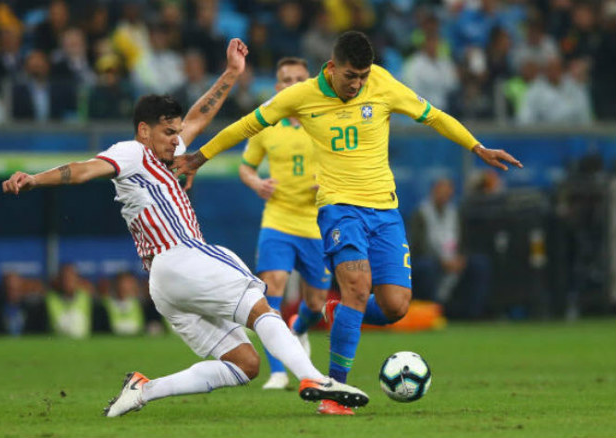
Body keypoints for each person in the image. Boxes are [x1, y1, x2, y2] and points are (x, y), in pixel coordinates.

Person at [2, 38, 368, 417]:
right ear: (143, 130)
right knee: (260, 308)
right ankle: (314, 378)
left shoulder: (170, 152)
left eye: (176, 132)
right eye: (167, 132)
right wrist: (34, 179)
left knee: (245, 364)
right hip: (181, 256)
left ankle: (144, 389)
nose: (176, 139)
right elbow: (80, 170)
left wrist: (230, 74)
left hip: (166, 285)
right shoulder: (130, 152)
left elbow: (199, 116)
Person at [174, 31, 522, 415]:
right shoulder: (301, 96)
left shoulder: (383, 83)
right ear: (332, 67)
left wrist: (478, 147)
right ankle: (333, 392)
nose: (357, 84)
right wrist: (199, 157)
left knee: (395, 306)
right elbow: (246, 125)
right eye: (350, 76)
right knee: (357, 285)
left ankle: (337, 314)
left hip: (386, 211)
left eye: (363, 76)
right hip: (340, 208)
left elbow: (434, 117)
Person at [238, 57, 330, 390]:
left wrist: (330, 182)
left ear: (309, 83)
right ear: (277, 87)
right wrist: (256, 183)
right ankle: (278, 371)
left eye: (299, 79)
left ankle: (299, 329)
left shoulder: (325, 119)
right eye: (286, 80)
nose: (292, 84)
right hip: (278, 218)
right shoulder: (266, 124)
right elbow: (246, 166)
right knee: (273, 285)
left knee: (317, 303)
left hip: (317, 223)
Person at [409, 178, 491, 319]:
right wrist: (441, 262)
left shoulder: (455, 213)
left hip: (453, 259)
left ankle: (472, 314)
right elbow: (417, 246)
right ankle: (434, 312)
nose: (444, 196)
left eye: (447, 193)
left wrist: (461, 258)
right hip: (431, 260)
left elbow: (463, 241)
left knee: (480, 264)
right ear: (433, 192)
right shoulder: (421, 213)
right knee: (427, 267)